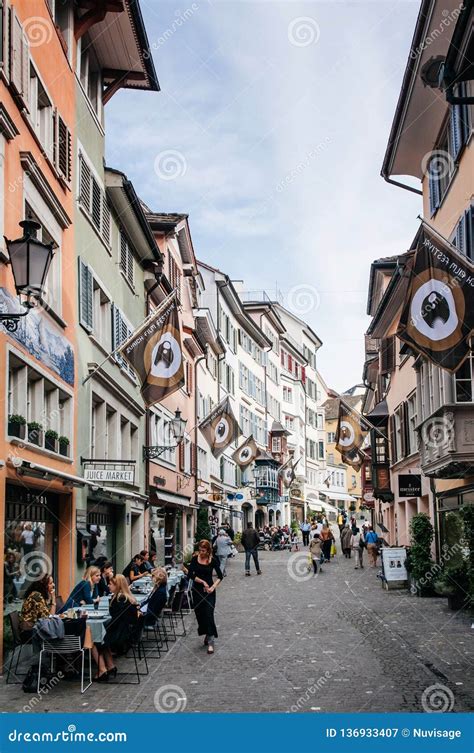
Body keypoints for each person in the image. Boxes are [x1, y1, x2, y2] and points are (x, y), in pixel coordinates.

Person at [92, 575, 139, 681]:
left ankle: (102, 671)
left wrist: (104, 628)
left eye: (110, 584)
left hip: (122, 635)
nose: (108, 586)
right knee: (103, 637)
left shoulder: (120, 600)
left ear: (117, 586)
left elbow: (115, 621)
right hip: (128, 632)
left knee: (94, 639)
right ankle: (111, 666)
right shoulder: (127, 597)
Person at [186, 540, 222, 654]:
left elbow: (220, 576)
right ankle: (207, 632)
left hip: (209, 592)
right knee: (200, 615)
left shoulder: (213, 561)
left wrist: (213, 587)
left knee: (209, 613)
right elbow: (190, 574)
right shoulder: (195, 559)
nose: (201, 552)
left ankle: (211, 642)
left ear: (208, 551)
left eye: (203, 550)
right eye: (200, 550)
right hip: (197, 591)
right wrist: (202, 582)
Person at [19, 574, 56, 640]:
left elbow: (47, 614)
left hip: (31, 629)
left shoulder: (38, 594)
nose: (53, 585)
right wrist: (53, 598)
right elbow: (48, 619)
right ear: (43, 585)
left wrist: (50, 597)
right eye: (50, 583)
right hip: (29, 632)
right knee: (57, 630)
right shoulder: (37, 596)